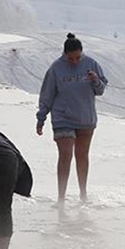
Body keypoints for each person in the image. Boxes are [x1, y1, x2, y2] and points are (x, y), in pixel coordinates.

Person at [36, 33, 107, 204]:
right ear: (64, 54)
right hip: (63, 118)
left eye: (78, 58)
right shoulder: (56, 68)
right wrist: (41, 118)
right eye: (71, 58)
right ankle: (61, 196)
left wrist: (95, 80)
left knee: (82, 156)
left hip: (85, 119)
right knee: (65, 155)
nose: (75, 62)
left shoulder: (91, 64)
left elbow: (101, 90)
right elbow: (47, 94)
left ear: (82, 53)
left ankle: (83, 194)